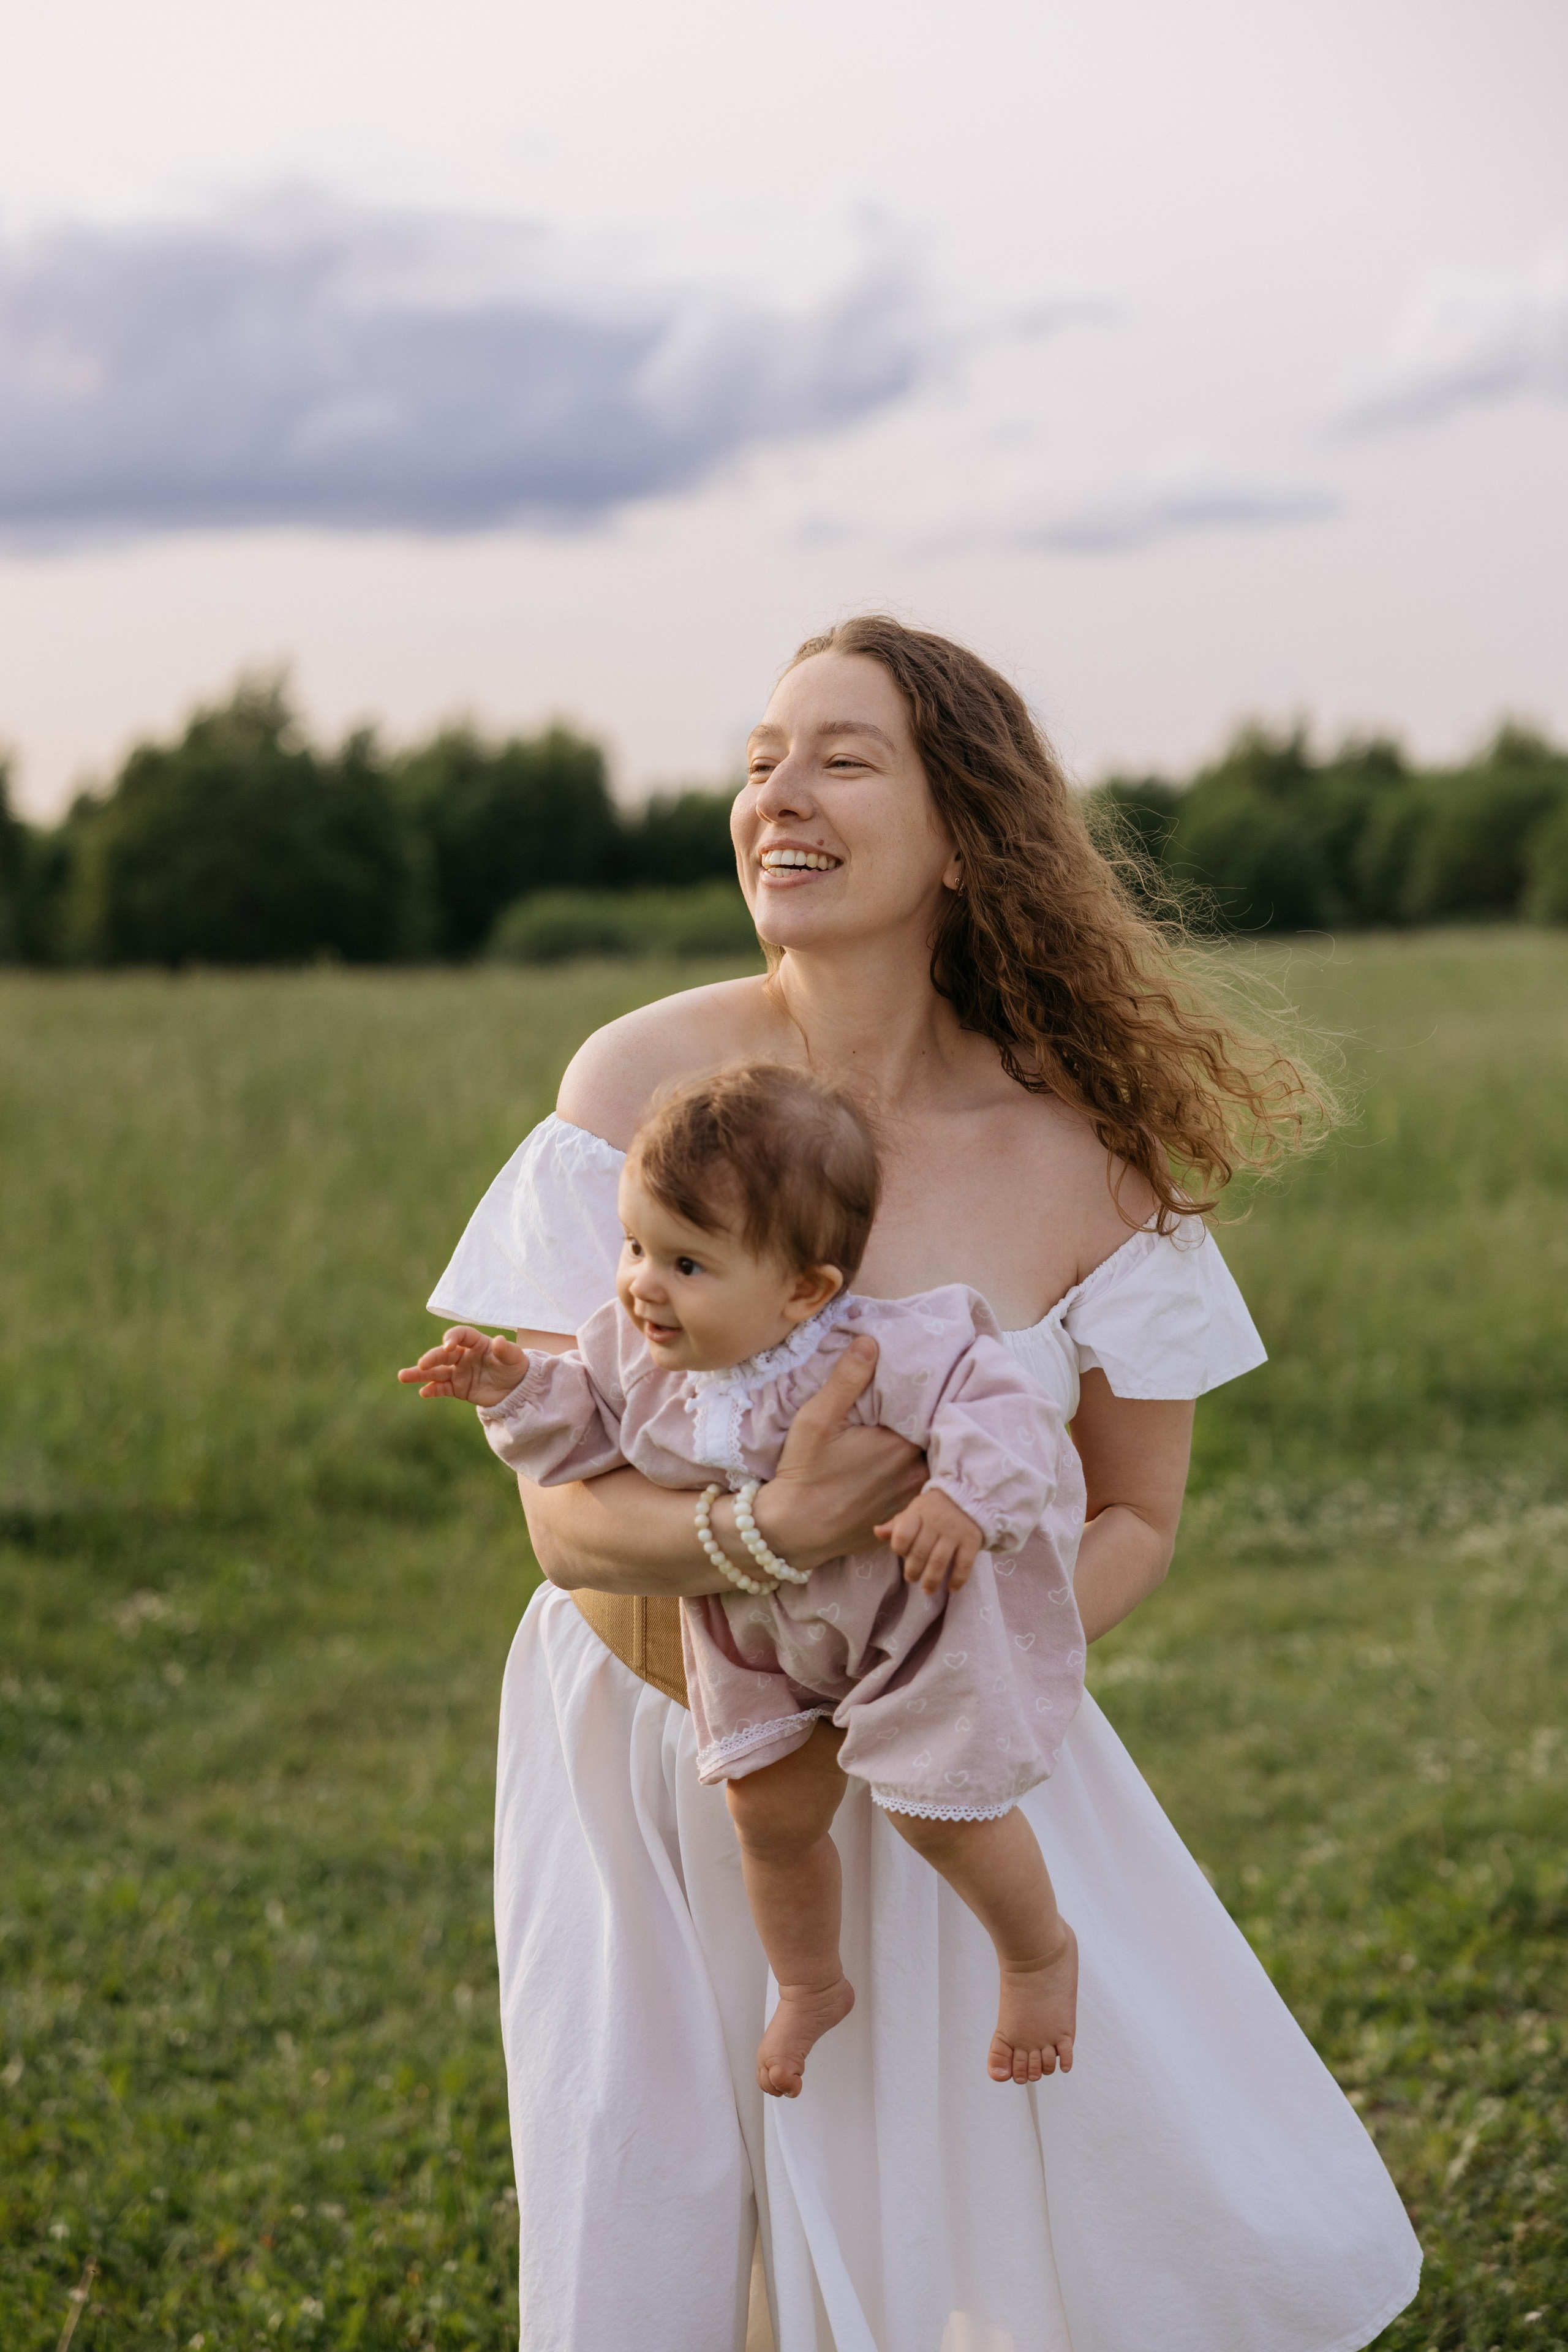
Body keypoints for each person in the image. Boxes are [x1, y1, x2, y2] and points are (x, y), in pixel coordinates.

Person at [427, 617, 1422, 2351]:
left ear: (964, 833)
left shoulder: (1086, 1157)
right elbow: (563, 1511)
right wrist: (771, 1537)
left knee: (954, 2235)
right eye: (759, 761)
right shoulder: (639, 1084)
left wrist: (948, 1670)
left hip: (948, 1767)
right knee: (666, 2212)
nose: (778, 796)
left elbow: (1138, 1518)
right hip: (655, 1746)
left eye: (841, 759)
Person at [403, 1062, 1087, 2100]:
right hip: (752, 1638)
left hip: (903, 1623)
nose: (641, 1284)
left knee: (941, 1810)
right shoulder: (631, 1355)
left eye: (686, 1262)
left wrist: (964, 1499)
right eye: (635, 1246)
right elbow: (582, 1435)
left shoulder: (887, 1347)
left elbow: (1002, 1409)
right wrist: (514, 1389)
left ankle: (1037, 1956)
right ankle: (811, 1984)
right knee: (765, 1814)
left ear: (804, 1290)